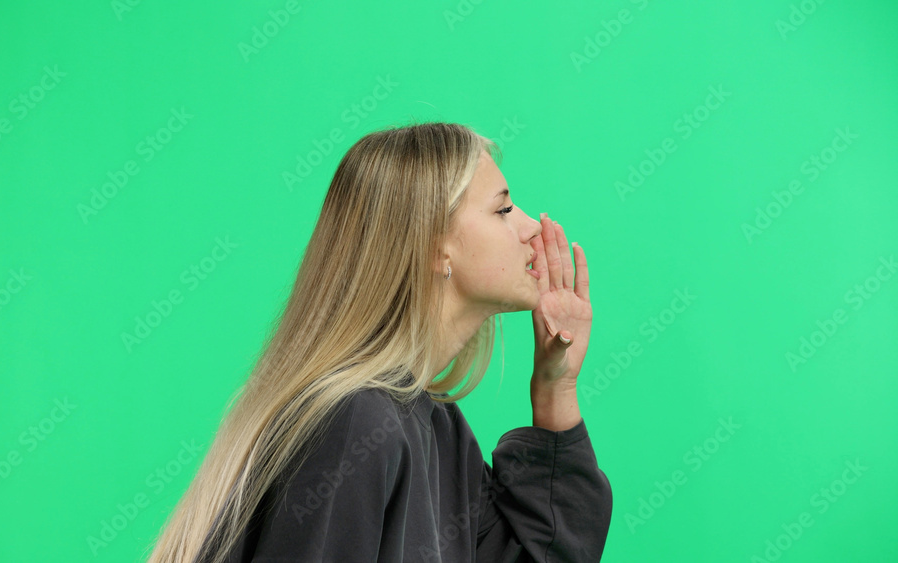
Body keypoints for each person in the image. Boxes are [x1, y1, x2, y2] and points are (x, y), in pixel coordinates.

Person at [145, 121, 612, 562]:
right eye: (503, 209)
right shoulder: (356, 422)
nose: (531, 227)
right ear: (434, 246)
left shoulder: (434, 425)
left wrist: (557, 387)